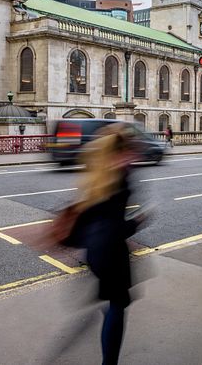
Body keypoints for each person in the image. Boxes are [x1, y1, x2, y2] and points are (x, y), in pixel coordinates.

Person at [70, 123, 146, 364]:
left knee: (115, 300)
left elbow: (90, 214)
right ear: (121, 148)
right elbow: (114, 224)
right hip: (112, 252)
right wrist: (137, 222)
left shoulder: (97, 174)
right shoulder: (120, 176)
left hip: (95, 251)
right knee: (118, 305)